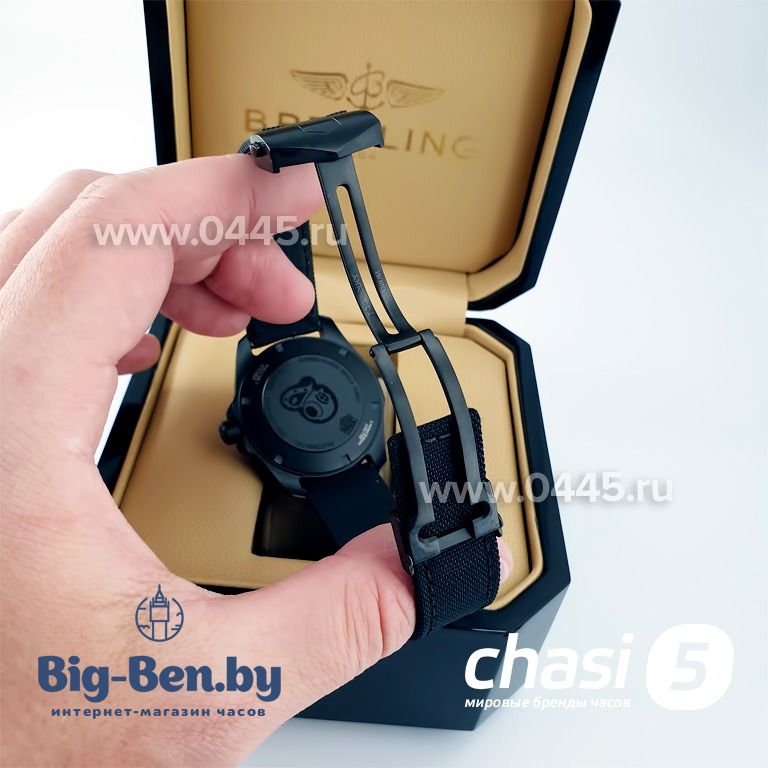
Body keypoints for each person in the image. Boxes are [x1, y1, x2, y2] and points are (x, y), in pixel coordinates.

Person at [0, 155, 511, 766]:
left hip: (326, 428)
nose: (312, 403)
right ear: (239, 429)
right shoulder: (281, 375)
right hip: (310, 440)